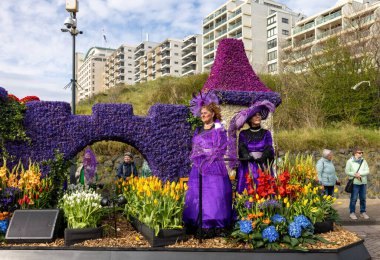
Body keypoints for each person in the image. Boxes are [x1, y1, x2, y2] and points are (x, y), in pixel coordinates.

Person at [183, 92, 232, 236]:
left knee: (215, 195)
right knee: (198, 194)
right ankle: (198, 223)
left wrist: (209, 156)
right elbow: (194, 147)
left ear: (212, 113)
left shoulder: (219, 129)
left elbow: (222, 148)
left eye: (205, 113)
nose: (203, 115)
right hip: (198, 167)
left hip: (214, 166)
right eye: (201, 113)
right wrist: (199, 155)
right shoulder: (197, 130)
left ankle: (214, 224)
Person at [228, 101, 275, 194]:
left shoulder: (266, 133)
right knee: (247, 190)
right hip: (247, 166)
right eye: (255, 115)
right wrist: (246, 155)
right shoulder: (243, 133)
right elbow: (241, 147)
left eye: (259, 115)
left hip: (262, 165)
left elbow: (269, 147)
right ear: (249, 119)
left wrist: (263, 157)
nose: (258, 116)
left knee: (264, 190)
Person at [346, 148, 370, 220]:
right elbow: (347, 171)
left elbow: (367, 170)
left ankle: (363, 212)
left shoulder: (364, 161)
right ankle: (352, 213)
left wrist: (360, 174)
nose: (361, 154)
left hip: (363, 182)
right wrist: (354, 174)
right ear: (355, 153)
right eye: (359, 153)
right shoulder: (349, 161)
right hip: (355, 183)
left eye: (362, 152)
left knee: (363, 198)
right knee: (353, 199)